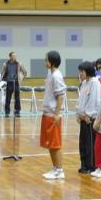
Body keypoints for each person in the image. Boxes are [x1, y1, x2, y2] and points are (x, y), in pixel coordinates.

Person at [40, 51, 66, 180]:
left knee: (55, 144)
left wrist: (56, 114)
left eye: (46, 60)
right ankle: (55, 168)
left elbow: (61, 96)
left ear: (52, 62)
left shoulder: (57, 76)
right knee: (50, 144)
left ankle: (60, 170)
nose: (45, 62)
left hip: (52, 115)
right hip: (47, 113)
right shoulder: (50, 74)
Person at [77, 61, 101, 174]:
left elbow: (94, 102)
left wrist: (87, 115)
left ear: (88, 72)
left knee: (90, 144)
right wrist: (79, 113)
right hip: (82, 118)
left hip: (89, 119)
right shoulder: (84, 83)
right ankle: (84, 165)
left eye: (82, 71)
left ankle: (91, 166)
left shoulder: (95, 83)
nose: (80, 74)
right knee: (82, 143)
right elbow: (81, 100)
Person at [1, 52, 27, 117]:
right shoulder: (6, 64)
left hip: (16, 82)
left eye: (16, 56)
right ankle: (7, 112)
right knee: (8, 98)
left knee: (17, 98)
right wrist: (2, 80)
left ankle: (17, 111)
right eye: (14, 56)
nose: (15, 57)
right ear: (10, 57)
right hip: (9, 82)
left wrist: (21, 78)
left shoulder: (19, 64)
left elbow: (25, 72)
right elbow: (2, 73)